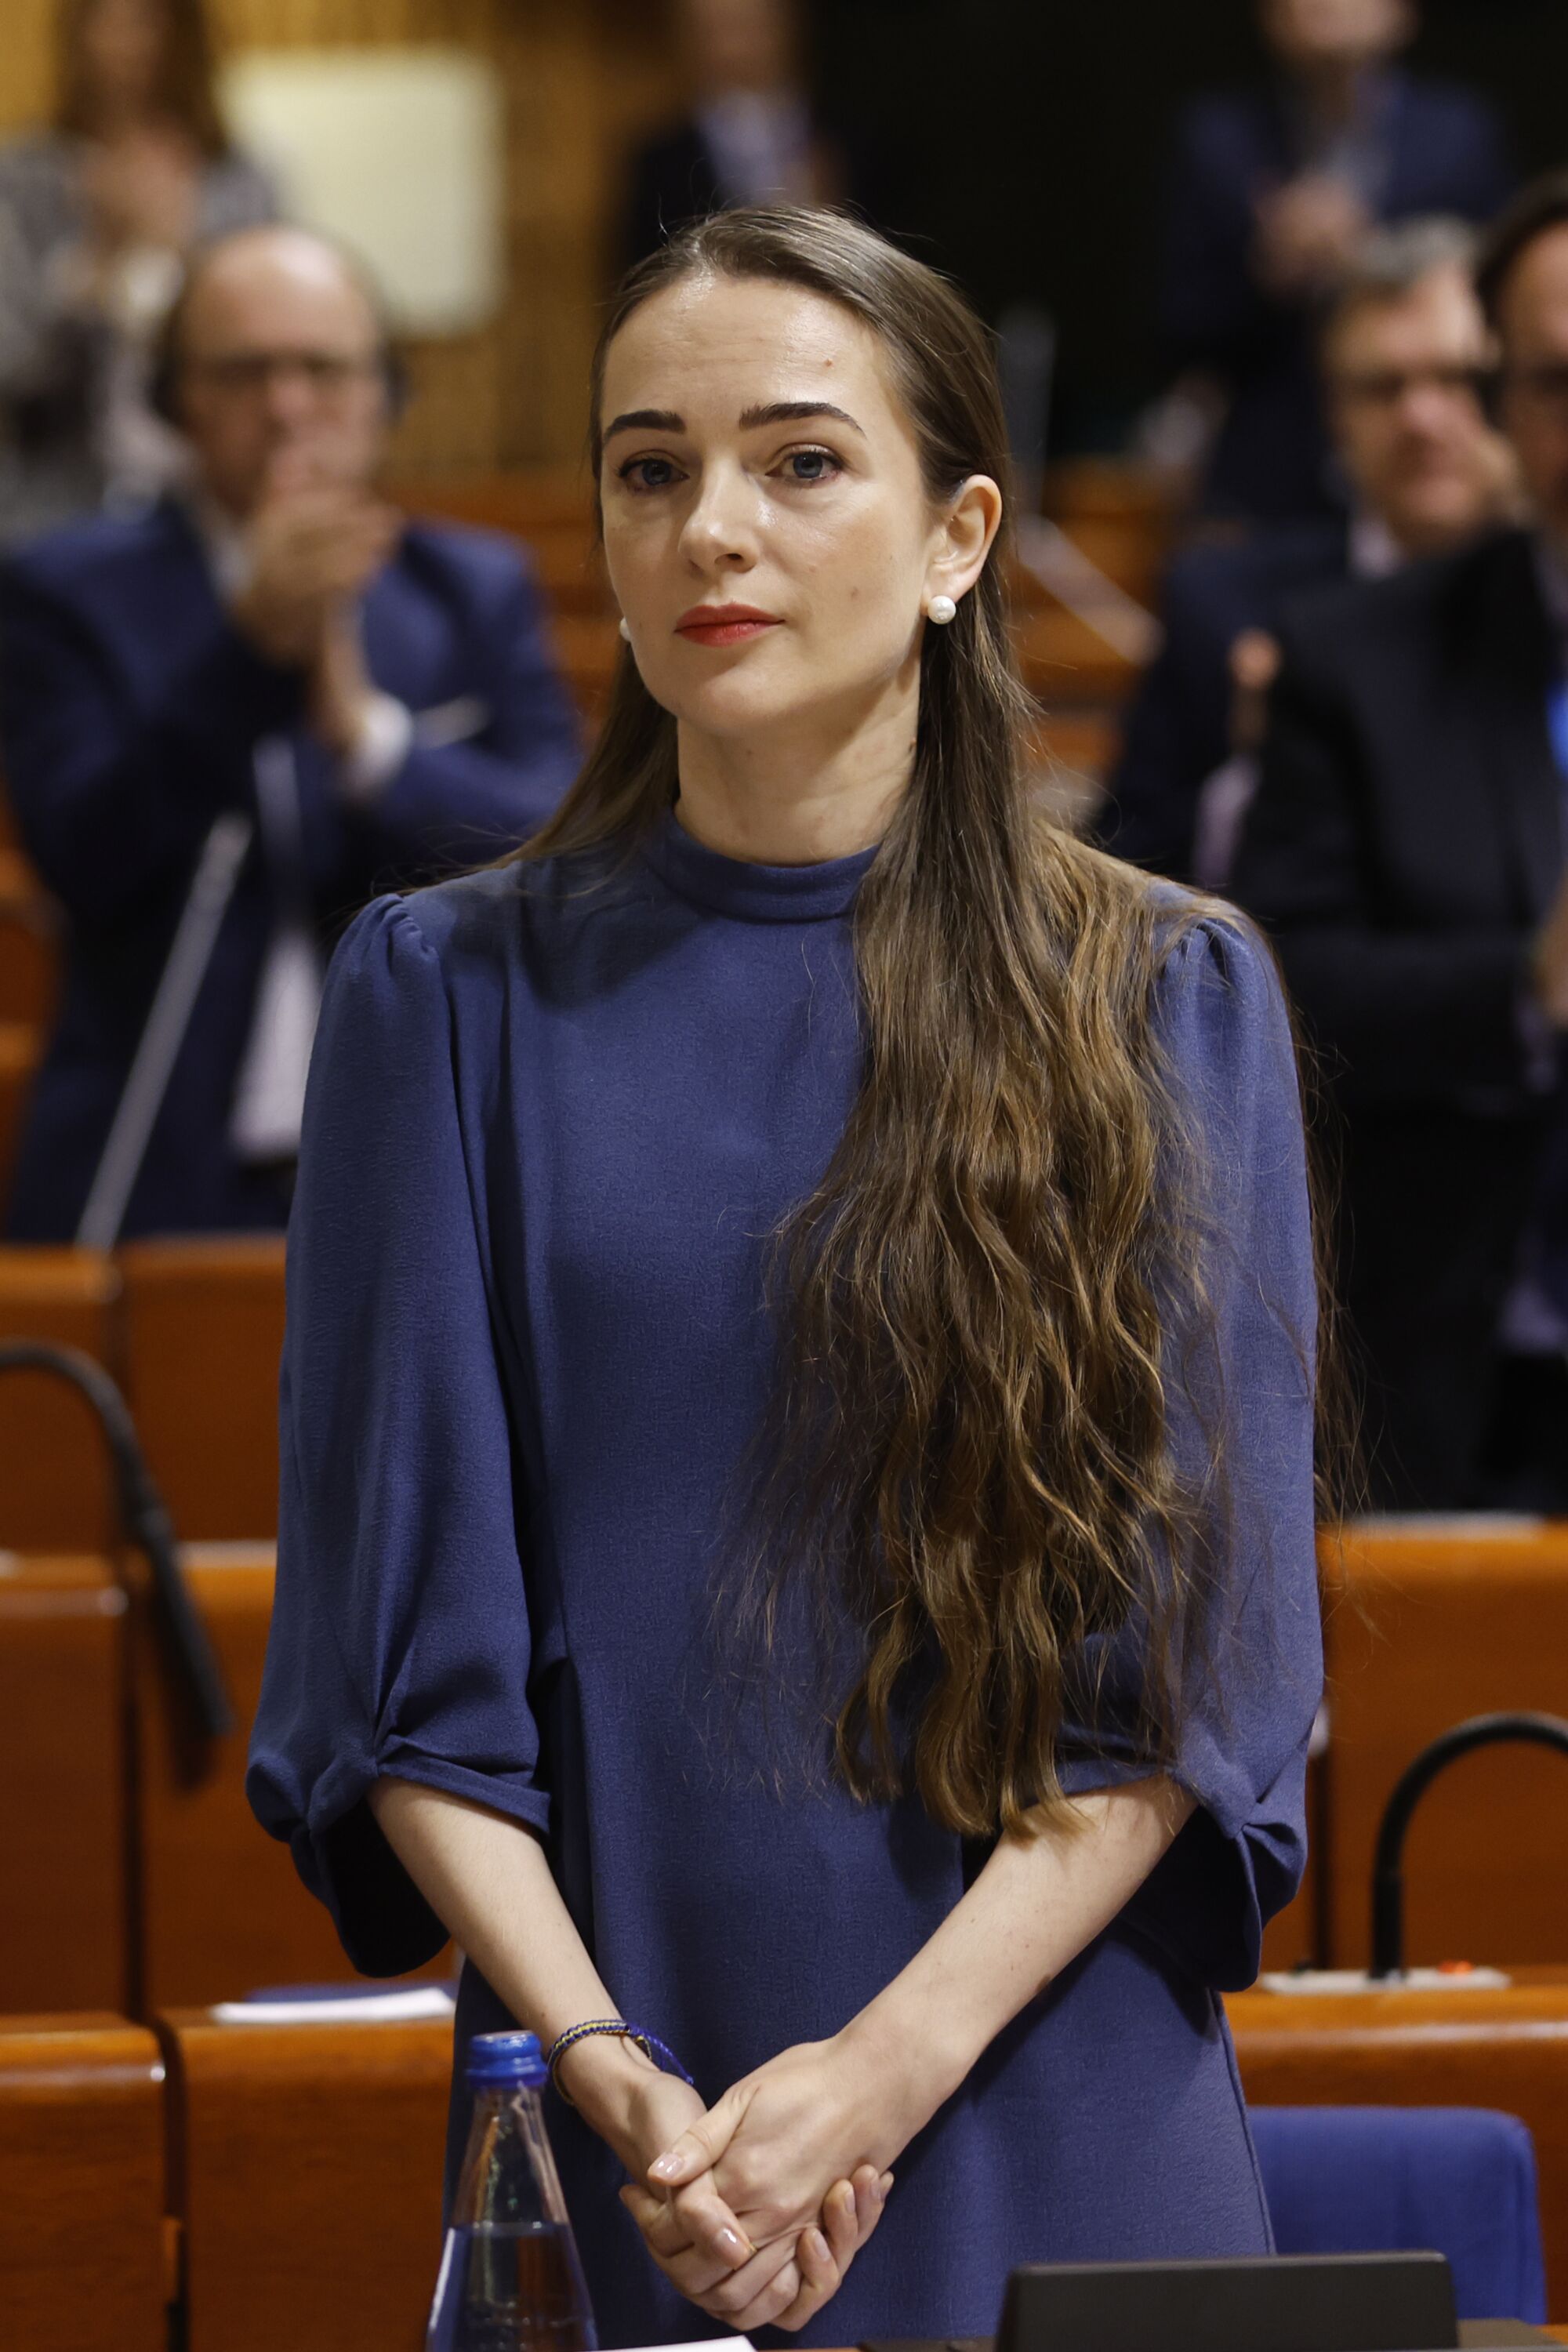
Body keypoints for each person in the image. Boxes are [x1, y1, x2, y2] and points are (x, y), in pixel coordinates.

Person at [248, 208, 1322, 2348]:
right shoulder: (442, 994)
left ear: (958, 538)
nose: (708, 526)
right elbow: (401, 1685)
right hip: (640, 2135)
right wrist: (619, 2076)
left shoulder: (1169, 992)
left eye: (800, 459)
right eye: (649, 468)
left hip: (1043, 2107)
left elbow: (1187, 1696)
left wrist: (879, 2078)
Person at [0, 225, 581, 1243]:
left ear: (385, 392)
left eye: (323, 368)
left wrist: (367, 741)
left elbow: (561, 852)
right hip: (160, 1172)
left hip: (435, 1164)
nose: (286, 406)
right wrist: (249, 650)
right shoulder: (66, 591)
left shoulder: (473, 588)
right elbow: (81, 854)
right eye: (242, 371)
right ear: (175, 398)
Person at [1232, 169, 1568, 1512]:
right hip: (1473, 1374)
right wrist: (1529, 984)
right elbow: (1281, 990)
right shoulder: (1356, 657)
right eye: (1557, 378)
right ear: (1507, 411)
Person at [1105, 216, 1517, 884]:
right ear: (1334, 417)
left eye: (1457, 379)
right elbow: (1121, 884)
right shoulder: (1221, 610)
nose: (1420, 417)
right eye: (1382, 388)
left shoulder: (1555, 598)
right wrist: (1255, 774)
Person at [1160, 0, 1510, 524]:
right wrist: (1263, 270)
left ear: (1404, 13)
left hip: (1432, 461)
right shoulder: (1217, 139)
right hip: (1265, 481)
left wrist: (1367, 254)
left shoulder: (1459, 133)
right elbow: (1173, 326)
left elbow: (1504, 305)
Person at [0, 0, 278, 546]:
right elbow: (13, 373)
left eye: (145, 18)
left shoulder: (242, 182)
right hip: (55, 515)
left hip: (211, 511)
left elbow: (269, 349)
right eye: (102, 17)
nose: (122, 41)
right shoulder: (24, 182)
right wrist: (97, 267)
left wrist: (181, 251)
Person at [620, 0, 871, 270]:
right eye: (715, 30)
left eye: (748, 27)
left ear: (788, 28)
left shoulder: (849, 141)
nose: (733, 48)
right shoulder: (660, 160)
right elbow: (640, 275)